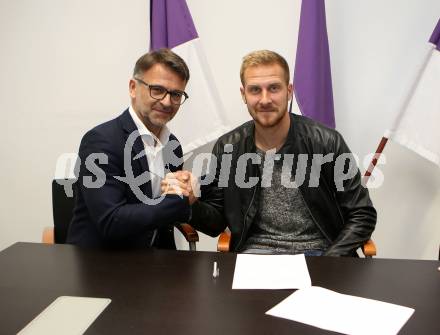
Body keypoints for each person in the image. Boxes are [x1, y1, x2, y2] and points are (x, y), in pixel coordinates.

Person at [165, 50, 376, 256]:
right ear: (243, 95)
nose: (265, 100)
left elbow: (362, 214)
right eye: (255, 90)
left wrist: (331, 260)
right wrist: (191, 201)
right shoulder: (228, 147)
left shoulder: (327, 141)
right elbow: (216, 223)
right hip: (254, 257)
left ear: (289, 91)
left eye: (274, 88)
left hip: (319, 254)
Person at [67, 48, 195, 249]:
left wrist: (187, 188)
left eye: (176, 94)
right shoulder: (101, 141)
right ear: (133, 88)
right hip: (101, 264)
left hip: (156, 262)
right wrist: (179, 200)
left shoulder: (173, 145)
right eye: (157, 90)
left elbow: (166, 213)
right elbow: (111, 221)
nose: (167, 101)